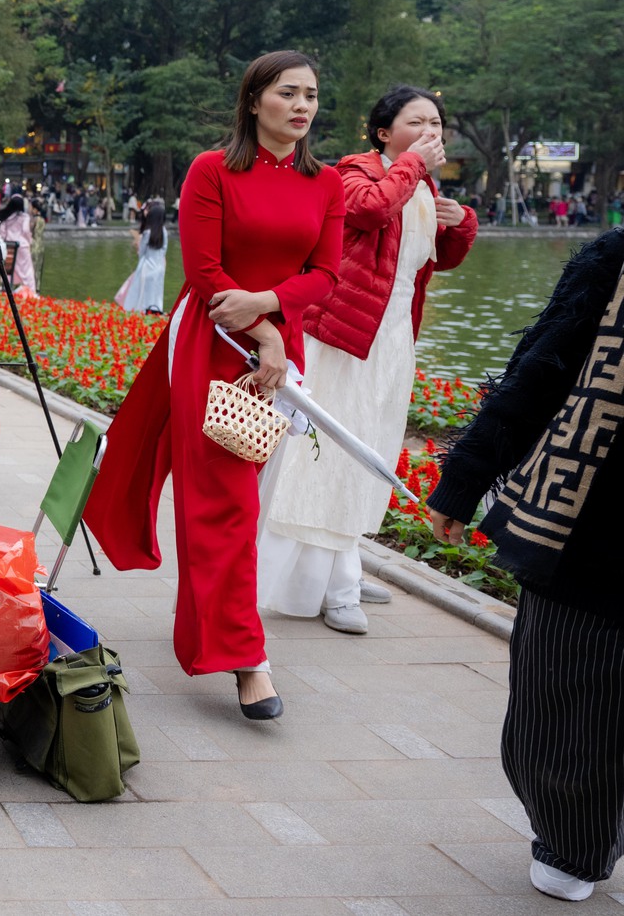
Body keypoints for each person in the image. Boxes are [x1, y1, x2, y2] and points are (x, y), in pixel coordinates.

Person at [82, 51, 344, 722]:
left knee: (242, 503)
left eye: (310, 95)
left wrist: (271, 314)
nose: (302, 106)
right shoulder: (212, 170)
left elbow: (326, 275)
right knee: (222, 506)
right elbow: (203, 273)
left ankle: (212, 634)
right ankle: (248, 659)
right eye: (288, 93)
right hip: (211, 345)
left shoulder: (327, 184)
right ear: (255, 100)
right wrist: (266, 329)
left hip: (279, 353)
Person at [424, 228, 624, 903]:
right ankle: (573, 839)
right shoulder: (615, 261)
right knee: (561, 696)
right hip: (593, 533)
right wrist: (464, 478)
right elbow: (535, 375)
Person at [257, 86, 477, 634]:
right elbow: (368, 210)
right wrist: (413, 168)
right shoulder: (355, 171)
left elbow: (436, 259)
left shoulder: (419, 186)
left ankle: (344, 565)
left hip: (392, 339)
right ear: (384, 132)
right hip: (343, 337)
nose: (431, 132)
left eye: (437, 124)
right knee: (326, 454)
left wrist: (458, 220)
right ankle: (326, 588)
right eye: (417, 121)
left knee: (369, 453)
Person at [115, 198, 169, 315]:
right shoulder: (164, 232)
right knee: (157, 290)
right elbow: (164, 249)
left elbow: (142, 252)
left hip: (147, 265)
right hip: (159, 266)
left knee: (142, 290)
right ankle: (156, 309)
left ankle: (142, 309)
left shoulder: (147, 233)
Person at [0, 193, 39, 295]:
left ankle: (6, 288)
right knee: (27, 270)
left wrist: (5, 240)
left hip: (9, 246)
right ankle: (30, 292)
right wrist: (29, 240)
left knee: (9, 268)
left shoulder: (6, 216)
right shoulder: (24, 217)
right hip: (23, 247)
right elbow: (25, 230)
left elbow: (2, 232)